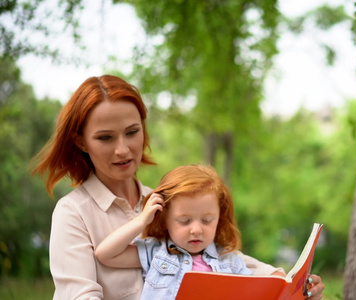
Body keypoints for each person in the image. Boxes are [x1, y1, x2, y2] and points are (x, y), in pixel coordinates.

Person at [32, 75, 325, 300]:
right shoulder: (74, 213)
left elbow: (224, 257)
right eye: (105, 138)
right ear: (81, 142)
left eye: (132, 132)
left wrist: (290, 282)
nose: (123, 150)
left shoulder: (169, 201)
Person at [96, 164, 252, 299]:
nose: (196, 230)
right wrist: (142, 220)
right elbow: (105, 254)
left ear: (219, 218)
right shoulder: (157, 253)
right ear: (165, 220)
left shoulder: (229, 261)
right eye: (184, 221)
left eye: (207, 220)